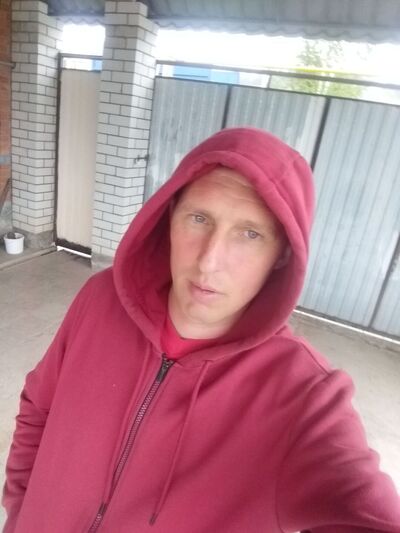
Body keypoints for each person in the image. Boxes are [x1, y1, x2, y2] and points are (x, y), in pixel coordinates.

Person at [2, 127, 400, 532]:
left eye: (250, 233)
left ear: (282, 254)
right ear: (169, 217)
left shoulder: (303, 396)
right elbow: (38, 407)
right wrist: (18, 512)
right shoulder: (101, 299)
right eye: (199, 218)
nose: (209, 261)